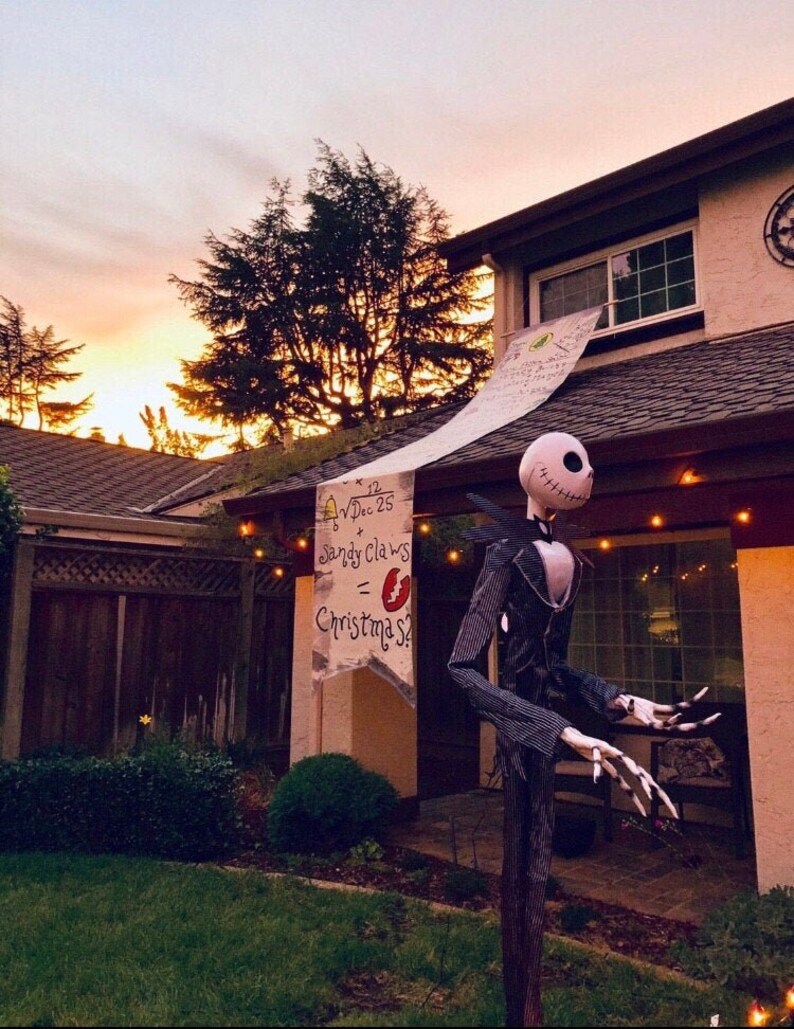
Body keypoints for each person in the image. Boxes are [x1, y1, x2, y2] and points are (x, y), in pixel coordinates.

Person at [448, 431, 716, 1028]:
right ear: (535, 471)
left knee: (537, 871)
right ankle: (520, 1008)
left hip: (546, 728)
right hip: (524, 731)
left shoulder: (566, 559)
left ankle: (531, 1009)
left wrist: (619, 700)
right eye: (574, 463)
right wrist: (558, 730)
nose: (587, 473)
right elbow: (461, 667)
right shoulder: (504, 555)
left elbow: (554, 666)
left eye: (587, 465)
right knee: (520, 867)